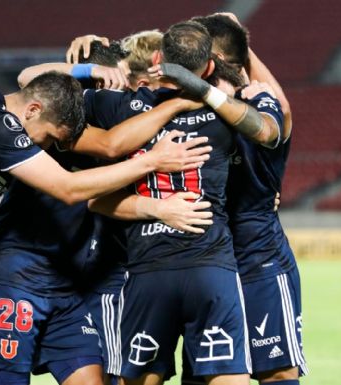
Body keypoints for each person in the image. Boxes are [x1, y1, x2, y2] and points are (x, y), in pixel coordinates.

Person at [0, 71, 210, 385]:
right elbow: (68, 188)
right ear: (33, 110)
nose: (45, 147)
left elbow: (39, 83)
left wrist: (86, 69)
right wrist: (151, 161)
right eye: (48, 137)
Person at [86, 21, 265, 385]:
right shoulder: (226, 113)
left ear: (157, 59)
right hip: (211, 267)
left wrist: (87, 67)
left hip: (149, 270)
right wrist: (211, 89)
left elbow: (30, 82)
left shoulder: (120, 107)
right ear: (210, 68)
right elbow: (266, 129)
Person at [168, 13, 307, 385]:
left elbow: (279, 109)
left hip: (259, 261)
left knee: (277, 373)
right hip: (207, 266)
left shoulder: (262, 107)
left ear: (210, 62)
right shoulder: (186, 110)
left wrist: (244, 49)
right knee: (203, 376)